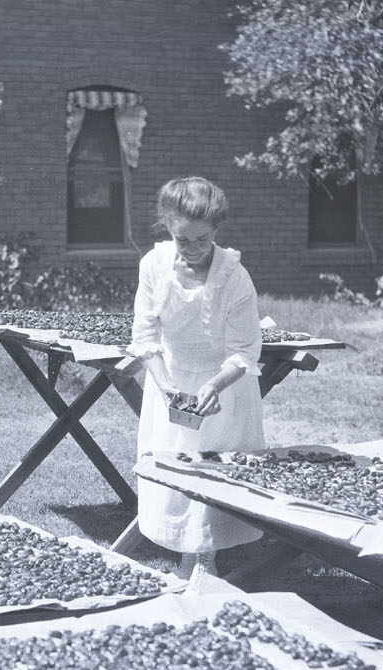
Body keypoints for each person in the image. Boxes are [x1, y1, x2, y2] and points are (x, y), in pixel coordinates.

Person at [128, 177, 266, 592]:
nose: (191, 248)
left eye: (201, 239)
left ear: (217, 230)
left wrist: (216, 385)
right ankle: (186, 559)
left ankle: (206, 562)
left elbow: (245, 350)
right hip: (170, 381)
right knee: (174, 468)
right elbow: (145, 337)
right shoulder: (153, 266)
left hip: (225, 386)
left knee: (216, 472)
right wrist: (168, 386)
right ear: (167, 228)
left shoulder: (234, 276)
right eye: (181, 239)